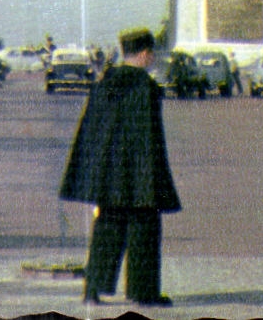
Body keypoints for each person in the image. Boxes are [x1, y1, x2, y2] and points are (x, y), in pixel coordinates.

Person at [58, 27, 179, 308]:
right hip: (138, 176)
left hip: (108, 176)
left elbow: (93, 132)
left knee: (107, 227)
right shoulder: (144, 87)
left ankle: (93, 289)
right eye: (152, 54)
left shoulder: (104, 83)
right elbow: (149, 139)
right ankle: (143, 291)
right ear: (146, 53)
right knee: (144, 230)